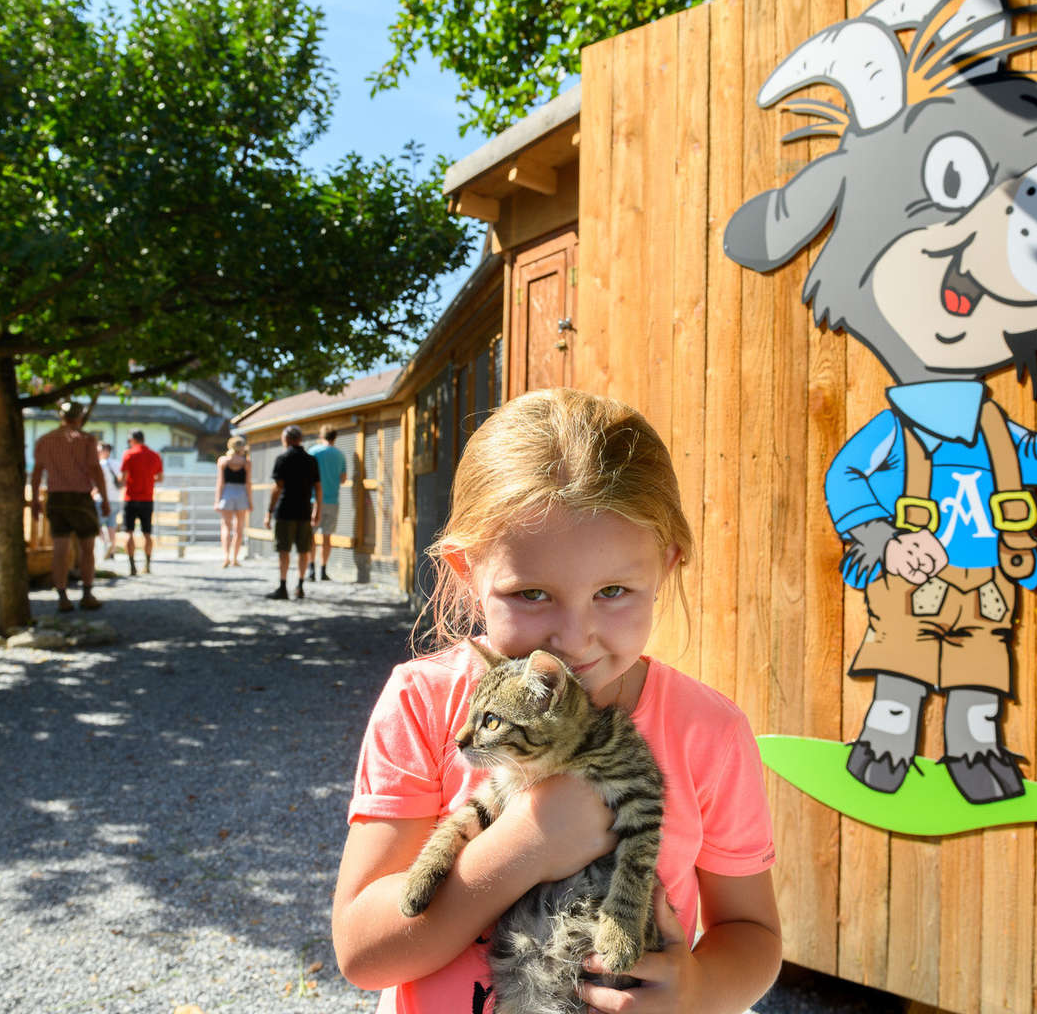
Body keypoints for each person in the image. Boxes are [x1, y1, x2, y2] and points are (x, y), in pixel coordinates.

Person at [331, 388, 782, 1014]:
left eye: (614, 590)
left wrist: (700, 991)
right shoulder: (426, 703)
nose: (572, 640)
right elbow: (362, 952)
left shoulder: (709, 732)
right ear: (467, 572)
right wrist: (523, 847)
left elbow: (753, 935)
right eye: (531, 594)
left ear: (668, 565)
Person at [29, 400, 109, 613]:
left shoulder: (45, 440)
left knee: (60, 550)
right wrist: (105, 498)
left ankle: (62, 596)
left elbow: (37, 472)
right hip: (81, 498)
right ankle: (87, 593)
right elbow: (95, 470)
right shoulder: (86, 440)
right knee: (87, 548)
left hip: (56, 497)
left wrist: (35, 499)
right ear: (80, 417)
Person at [263, 424, 321, 599]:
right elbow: (318, 488)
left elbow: (277, 488)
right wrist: (317, 510)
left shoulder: (283, 458)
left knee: (284, 550)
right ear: (300, 439)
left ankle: (282, 586)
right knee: (304, 550)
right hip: (304, 510)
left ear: (286, 439)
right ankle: (300, 586)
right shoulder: (311, 460)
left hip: (286, 511)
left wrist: (269, 511)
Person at [118, 429, 163, 576]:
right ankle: (148, 565)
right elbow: (160, 477)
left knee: (129, 532)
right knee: (147, 533)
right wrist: (149, 479)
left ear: (133, 440)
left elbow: (123, 477)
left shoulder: (129, 454)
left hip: (130, 498)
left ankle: (132, 566)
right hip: (147, 498)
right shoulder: (155, 455)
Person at [308, 424, 347, 582]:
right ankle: (323, 570)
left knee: (311, 536)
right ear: (335, 437)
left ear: (321, 436)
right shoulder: (340, 455)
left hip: (314, 500)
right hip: (332, 500)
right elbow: (343, 479)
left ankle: (311, 569)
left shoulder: (313, 452)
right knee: (327, 538)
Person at [215, 436, 253, 568]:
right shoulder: (246, 463)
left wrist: (217, 500)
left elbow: (220, 483)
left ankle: (226, 557)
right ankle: (235, 558)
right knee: (239, 528)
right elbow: (248, 483)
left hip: (227, 494)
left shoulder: (223, 461)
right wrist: (250, 501)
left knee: (226, 527)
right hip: (241, 494)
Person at [95, 441, 120, 561]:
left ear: (105, 451)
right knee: (112, 526)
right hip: (116, 499)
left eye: (99, 450)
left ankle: (105, 545)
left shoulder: (101, 465)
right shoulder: (117, 464)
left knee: (97, 524)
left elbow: (98, 484)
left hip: (102, 499)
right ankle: (112, 549)